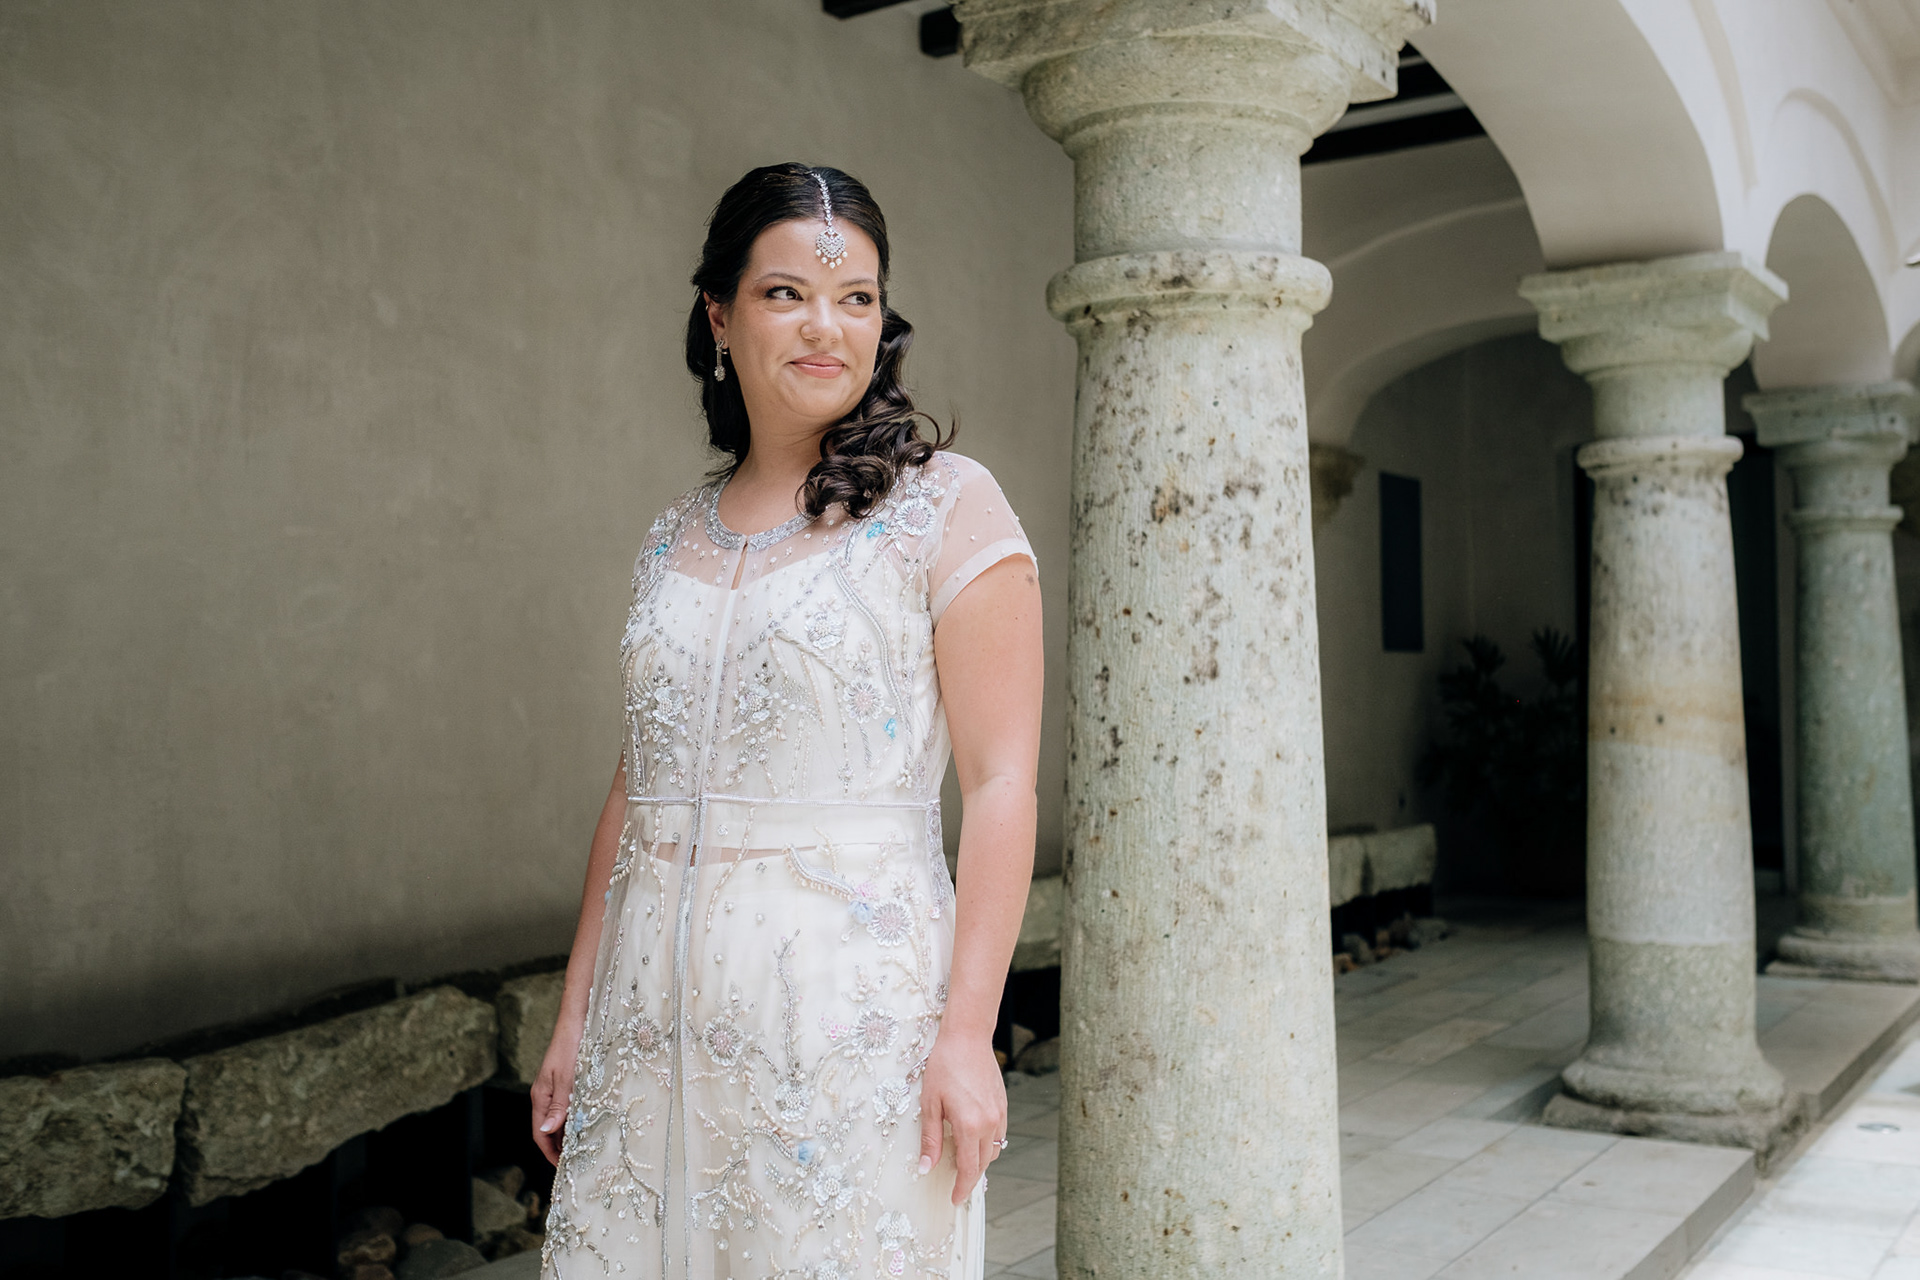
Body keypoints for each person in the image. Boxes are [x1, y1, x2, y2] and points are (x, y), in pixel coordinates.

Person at [529, 162, 1043, 1280]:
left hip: (844, 1022)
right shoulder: (673, 535)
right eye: (786, 294)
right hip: (649, 1021)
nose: (827, 326)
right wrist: (575, 1015)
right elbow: (635, 785)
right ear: (719, 315)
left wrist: (969, 1033)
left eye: (857, 297)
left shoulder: (945, 507)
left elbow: (1002, 781)